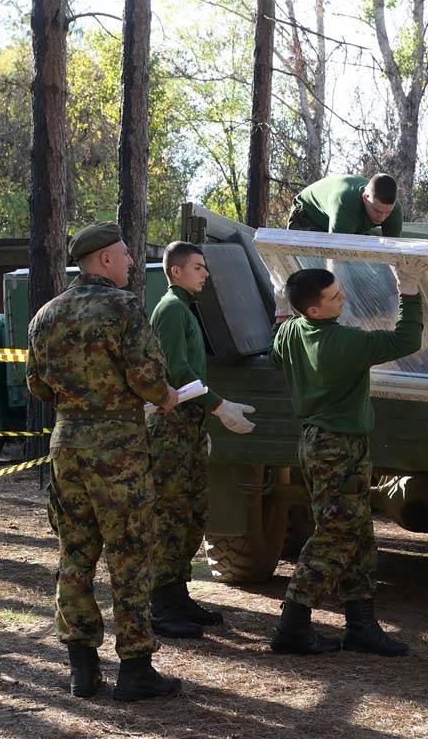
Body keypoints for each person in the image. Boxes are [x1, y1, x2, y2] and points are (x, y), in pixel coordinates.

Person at [26, 222, 181, 702]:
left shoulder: (45, 315)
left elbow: (36, 385)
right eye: (127, 255)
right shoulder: (124, 308)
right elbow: (150, 380)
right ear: (106, 260)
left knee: (75, 552)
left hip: (66, 442)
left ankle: (82, 668)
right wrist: (167, 397)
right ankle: (135, 669)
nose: (133, 263)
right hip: (117, 448)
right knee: (131, 553)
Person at [267, 257, 428, 658]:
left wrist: (279, 310)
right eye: (334, 296)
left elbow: (275, 347)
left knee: (357, 534)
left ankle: (361, 624)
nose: (344, 298)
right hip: (338, 448)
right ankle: (292, 624)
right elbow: (406, 341)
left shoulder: (290, 332)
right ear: (314, 310)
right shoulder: (343, 343)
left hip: (318, 444)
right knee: (336, 535)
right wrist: (408, 289)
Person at [146, 241, 257, 639]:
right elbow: (175, 372)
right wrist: (218, 405)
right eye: (197, 267)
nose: (205, 273)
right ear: (175, 271)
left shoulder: (184, 309)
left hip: (187, 428)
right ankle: (160, 605)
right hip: (172, 429)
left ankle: (177, 596)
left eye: (204, 267)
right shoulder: (172, 310)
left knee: (190, 515)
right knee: (171, 516)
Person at [287, 173, 403, 237]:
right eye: (377, 211)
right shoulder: (345, 203)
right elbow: (335, 254)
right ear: (365, 198)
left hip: (343, 225)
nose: (382, 217)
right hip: (308, 216)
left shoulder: (395, 211)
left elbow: (394, 252)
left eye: (387, 213)